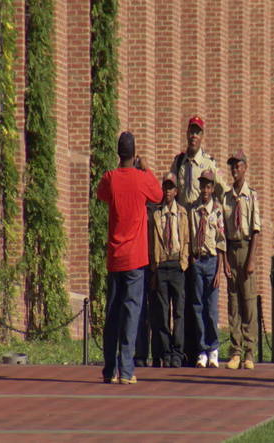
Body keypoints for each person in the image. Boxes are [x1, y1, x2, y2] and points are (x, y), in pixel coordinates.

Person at [98, 131, 163, 384]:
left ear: (118, 153)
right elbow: (158, 195)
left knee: (112, 313)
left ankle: (108, 369)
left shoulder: (110, 178)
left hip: (115, 257)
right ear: (135, 154)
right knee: (131, 312)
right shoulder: (141, 178)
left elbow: (101, 194)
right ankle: (126, 371)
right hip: (135, 258)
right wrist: (146, 169)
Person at [170, 115, 228, 366]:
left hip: (207, 237)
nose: (193, 135)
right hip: (186, 233)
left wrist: (216, 212)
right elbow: (172, 187)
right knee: (191, 299)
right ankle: (193, 350)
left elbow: (223, 189)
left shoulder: (208, 163)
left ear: (202, 136)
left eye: (197, 132)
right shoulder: (180, 162)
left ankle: (207, 349)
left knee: (208, 303)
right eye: (190, 131)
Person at [221, 150, 261, 370]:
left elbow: (256, 229)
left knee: (248, 302)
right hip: (231, 248)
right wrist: (226, 259)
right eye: (232, 167)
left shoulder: (251, 195)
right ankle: (235, 351)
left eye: (238, 166)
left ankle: (249, 351)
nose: (234, 170)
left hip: (246, 248)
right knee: (233, 302)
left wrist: (252, 259)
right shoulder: (226, 197)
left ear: (245, 167)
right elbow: (224, 230)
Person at [151, 172, 190, 368]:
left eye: (171, 188)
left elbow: (186, 240)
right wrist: (155, 266)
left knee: (179, 312)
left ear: (176, 191)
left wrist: (184, 262)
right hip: (162, 265)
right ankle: (166, 352)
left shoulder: (182, 213)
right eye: (165, 187)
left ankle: (177, 352)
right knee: (163, 311)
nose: (167, 191)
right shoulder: (157, 214)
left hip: (177, 265)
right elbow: (153, 243)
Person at [189, 169, 226, 368]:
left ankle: (213, 348)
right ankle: (202, 350)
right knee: (198, 307)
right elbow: (190, 235)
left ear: (213, 189)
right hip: (198, 260)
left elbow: (221, 242)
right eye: (202, 185)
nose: (205, 190)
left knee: (211, 309)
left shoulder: (217, 210)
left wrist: (219, 270)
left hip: (212, 261)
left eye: (208, 186)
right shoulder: (194, 210)